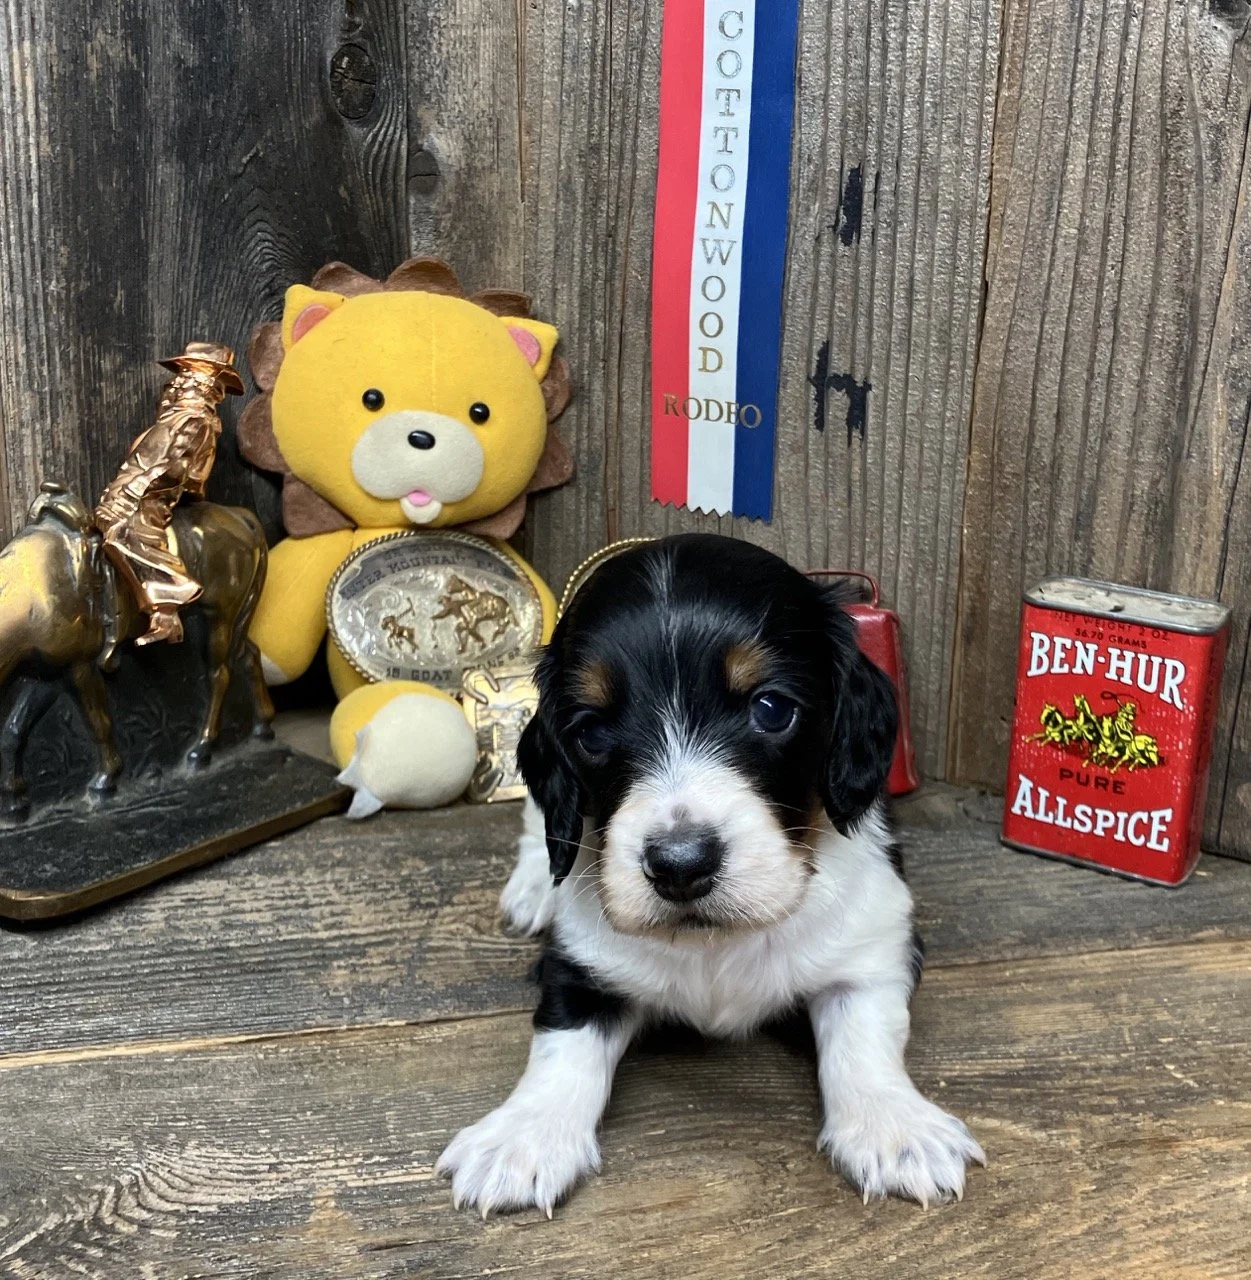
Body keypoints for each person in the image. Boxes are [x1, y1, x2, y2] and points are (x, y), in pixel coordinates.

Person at [94, 341, 244, 646]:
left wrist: (132, 493)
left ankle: (166, 609)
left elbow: (172, 467)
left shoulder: (192, 420)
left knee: (119, 532)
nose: (174, 384)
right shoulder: (177, 416)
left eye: (184, 377)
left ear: (200, 384)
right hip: (133, 488)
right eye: (178, 377)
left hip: (145, 498)